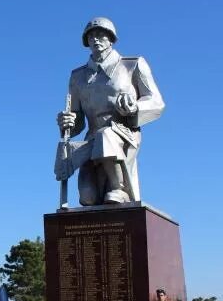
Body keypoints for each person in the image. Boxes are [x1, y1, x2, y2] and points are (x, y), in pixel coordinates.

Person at [56, 17, 165, 207]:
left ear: (111, 39)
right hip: (91, 142)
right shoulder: (78, 77)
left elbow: (156, 102)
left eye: (100, 35)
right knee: (88, 198)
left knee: (105, 135)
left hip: (123, 133)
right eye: (91, 37)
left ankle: (120, 188)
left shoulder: (133, 65)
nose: (96, 40)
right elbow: (77, 120)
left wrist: (135, 107)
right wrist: (68, 122)